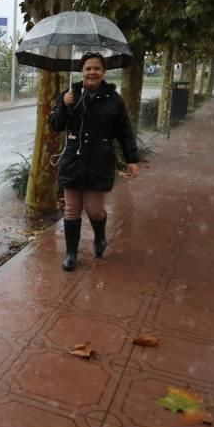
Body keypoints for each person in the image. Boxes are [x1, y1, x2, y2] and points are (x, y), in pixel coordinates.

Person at [49, 53, 140, 271]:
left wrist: (132, 159)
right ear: (82, 71)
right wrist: (63, 105)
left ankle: (100, 237)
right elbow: (55, 125)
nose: (92, 72)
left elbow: (124, 132)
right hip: (73, 160)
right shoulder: (70, 94)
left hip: (99, 162)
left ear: (103, 72)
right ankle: (71, 253)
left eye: (96, 68)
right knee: (71, 210)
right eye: (88, 68)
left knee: (94, 210)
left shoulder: (114, 100)